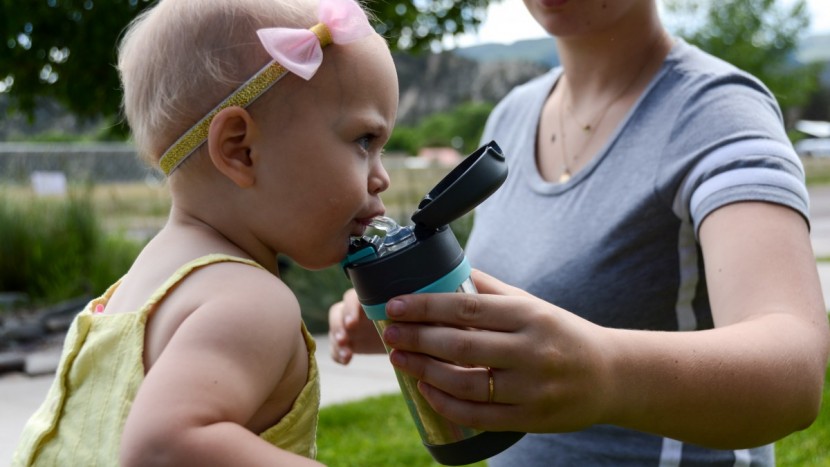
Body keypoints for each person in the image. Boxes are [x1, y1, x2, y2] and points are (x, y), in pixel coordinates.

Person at [329, 0, 830, 465]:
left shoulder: (718, 114)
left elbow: (795, 372)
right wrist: (420, 323)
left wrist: (606, 374)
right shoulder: (513, 115)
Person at [12, 0, 398, 465]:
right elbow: (163, 447)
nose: (382, 177)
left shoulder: (139, 285)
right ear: (240, 150)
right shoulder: (252, 301)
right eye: (364, 142)